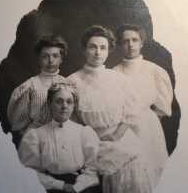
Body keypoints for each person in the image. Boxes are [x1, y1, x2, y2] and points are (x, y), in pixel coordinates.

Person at [68, 25, 173, 193]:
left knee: (134, 169)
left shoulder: (118, 79)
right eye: (92, 47)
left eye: (103, 48)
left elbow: (132, 112)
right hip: (92, 142)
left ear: (109, 50)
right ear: (84, 49)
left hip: (124, 138)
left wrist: (116, 135)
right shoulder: (72, 82)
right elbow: (70, 119)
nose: (97, 52)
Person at [18, 81, 101, 193]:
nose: (64, 106)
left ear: (74, 105)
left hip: (82, 187)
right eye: (59, 101)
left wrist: (77, 187)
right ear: (49, 103)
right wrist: (60, 186)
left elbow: (93, 169)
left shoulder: (84, 133)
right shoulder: (35, 136)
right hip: (49, 187)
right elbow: (30, 172)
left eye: (69, 102)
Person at [7, 35, 67, 148]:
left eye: (55, 56)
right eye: (45, 56)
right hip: (36, 140)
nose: (51, 61)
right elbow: (17, 122)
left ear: (61, 59)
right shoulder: (29, 86)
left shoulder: (67, 84)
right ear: (38, 59)